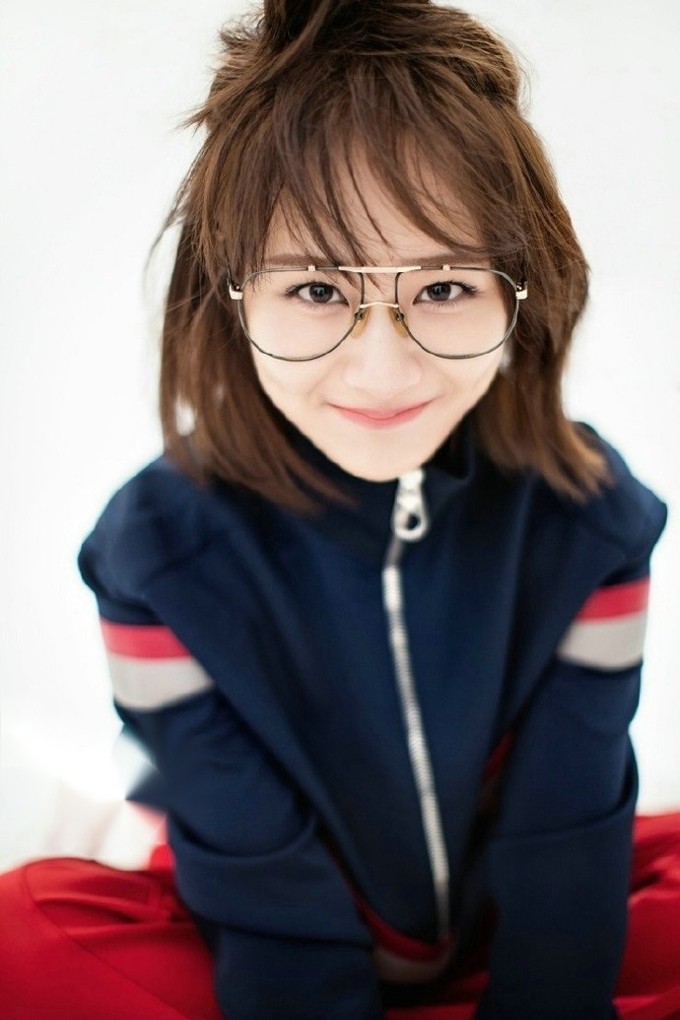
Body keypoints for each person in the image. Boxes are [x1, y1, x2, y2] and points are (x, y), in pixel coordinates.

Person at [1, 1, 679, 1018]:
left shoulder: (592, 520)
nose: (380, 369)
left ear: (520, 295)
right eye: (316, 291)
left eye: (443, 288)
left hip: (505, 920)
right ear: (230, 297)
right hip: (252, 934)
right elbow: (249, 868)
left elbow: (565, 842)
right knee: (25, 935)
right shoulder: (154, 556)